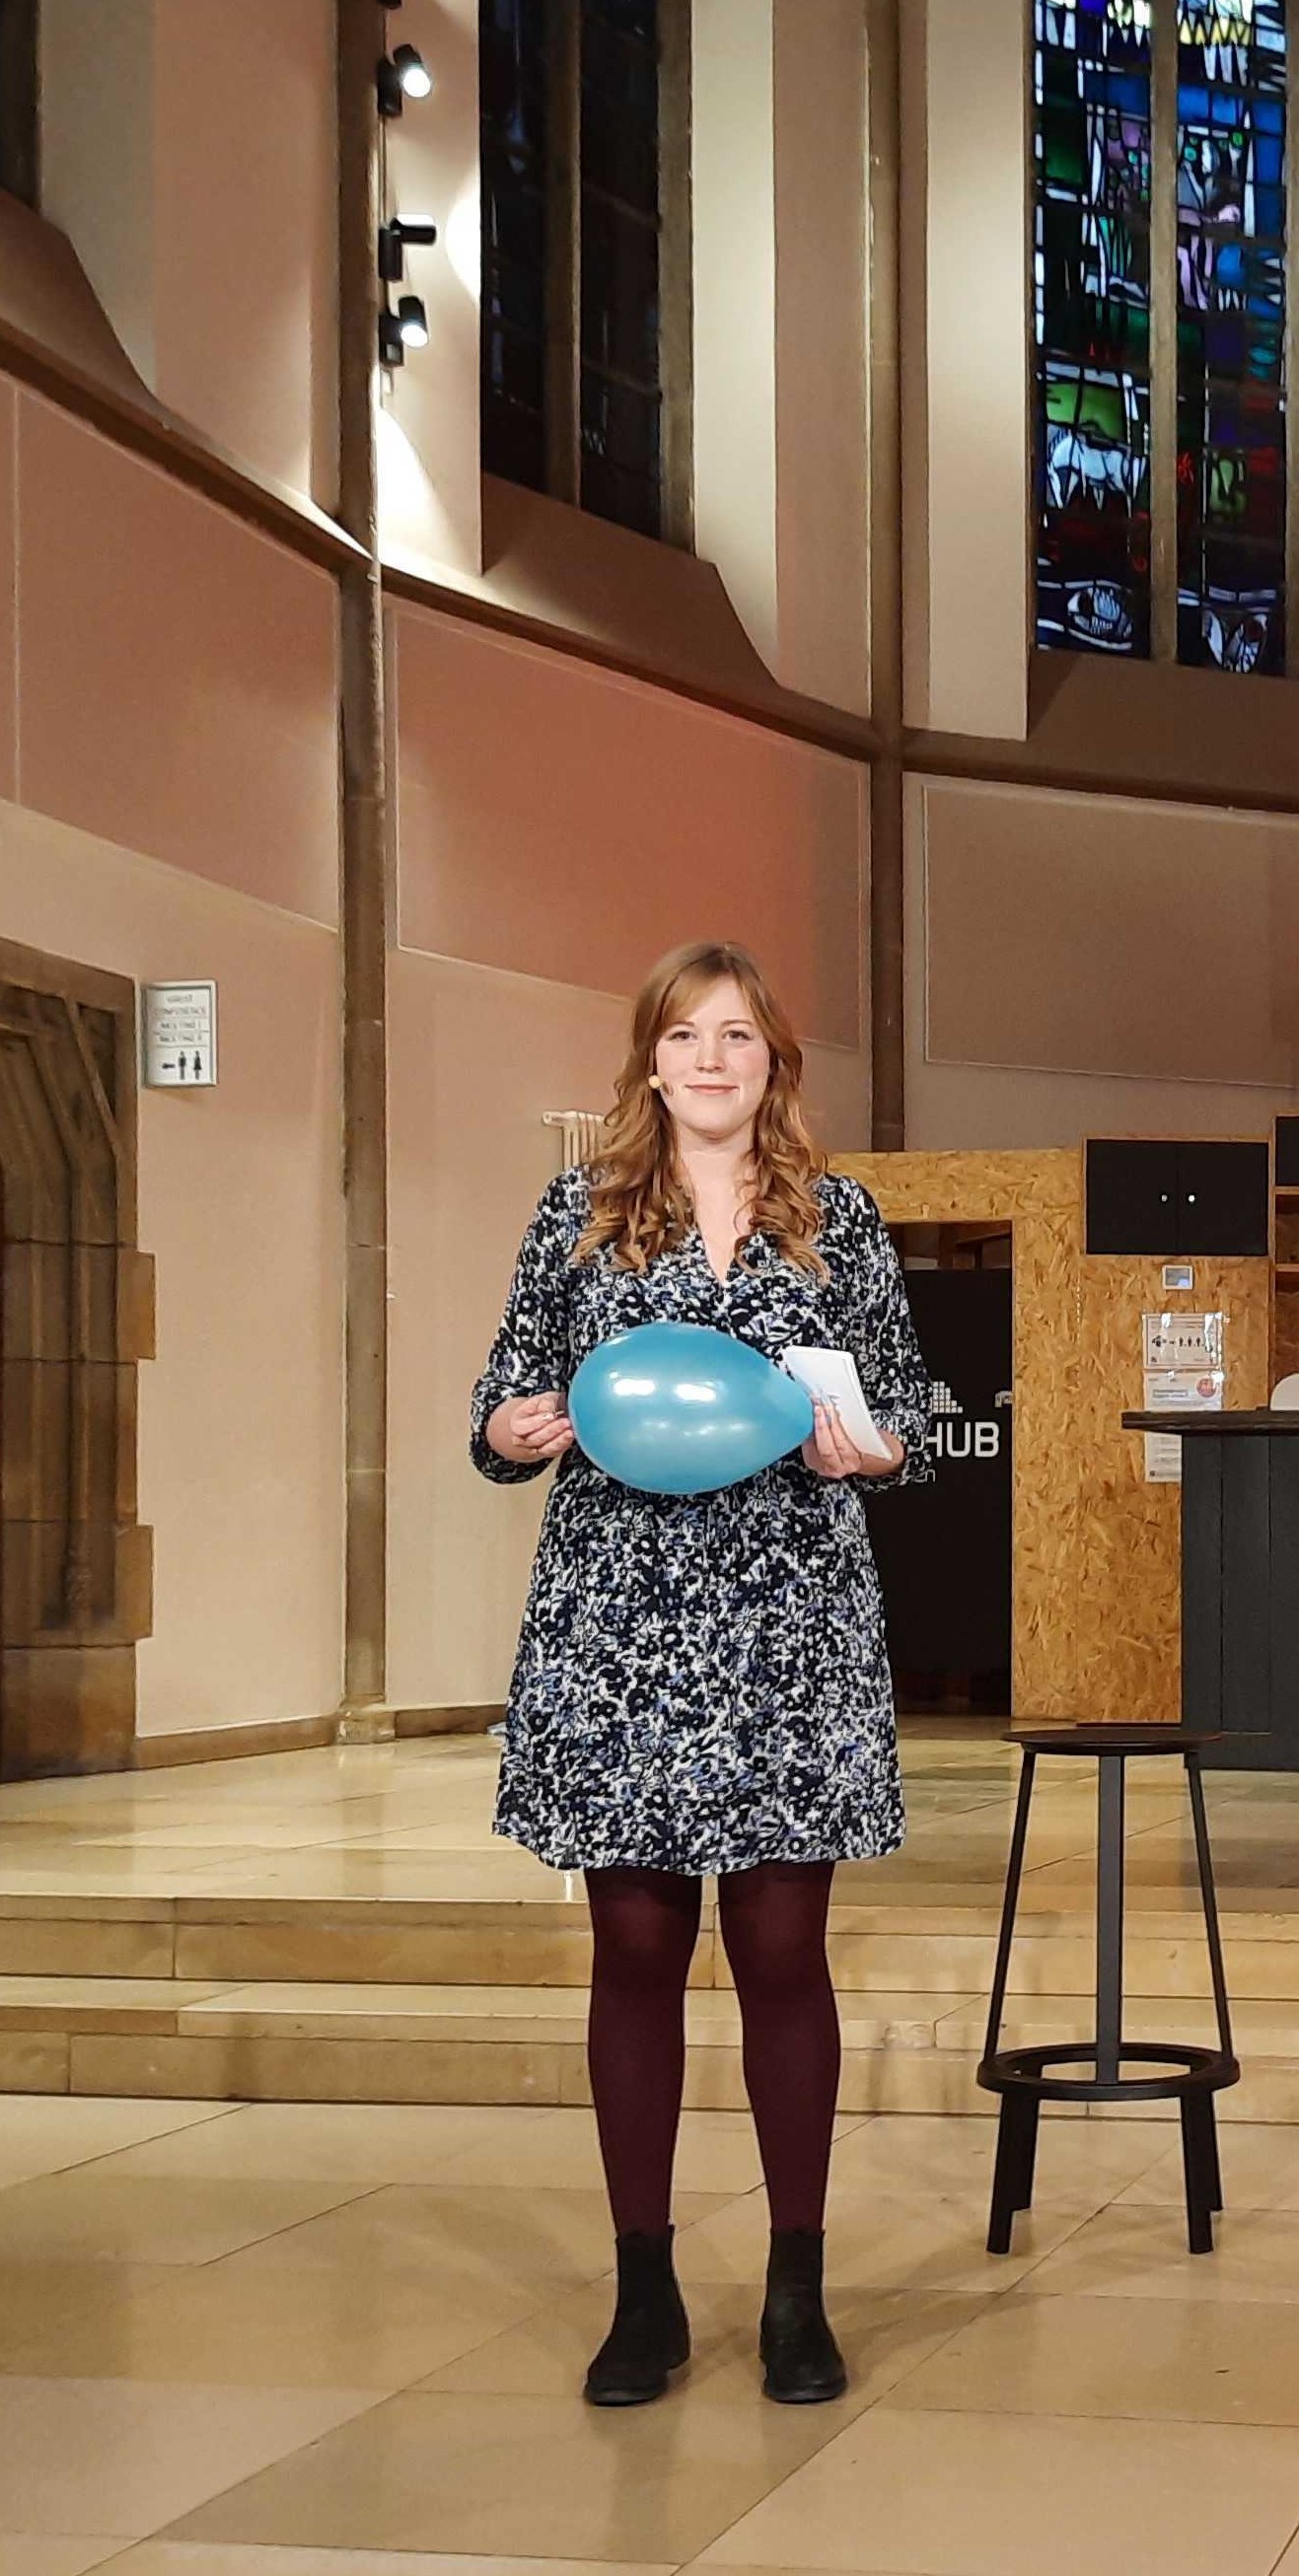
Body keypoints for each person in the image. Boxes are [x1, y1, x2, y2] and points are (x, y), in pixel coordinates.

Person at [472, 938, 935, 2408]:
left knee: (785, 1951)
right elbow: (497, 1398)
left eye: (738, 1034)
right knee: (634, 1951)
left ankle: (796, 2288)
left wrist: (872, 1442)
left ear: (772, 1062)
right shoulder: (577, 1217)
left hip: (791, 1622)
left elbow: (906, 1408)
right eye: (685, 1035)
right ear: (651, 1061)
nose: (712, 1059)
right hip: (620, 1624)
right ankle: (646, 2289)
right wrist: (511, 1429)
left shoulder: (840, 1223)